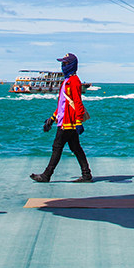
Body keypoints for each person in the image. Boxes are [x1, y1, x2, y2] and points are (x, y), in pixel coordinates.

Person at [31, 52, 91, 183]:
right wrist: (52, 119)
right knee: (76, 148)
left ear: (72, 65)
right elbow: (62, 104)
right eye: (62, 64)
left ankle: (46, 175)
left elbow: (77, 102)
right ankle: (86, 174)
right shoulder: (66, 82)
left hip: (68, 123)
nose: (63, 66)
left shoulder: (74, 82)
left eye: (65, 63)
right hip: (64, 121)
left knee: (57, 147)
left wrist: (78, 121)